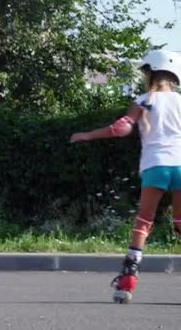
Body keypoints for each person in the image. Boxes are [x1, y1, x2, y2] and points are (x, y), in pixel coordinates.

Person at [70, 49, 181, 303]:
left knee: (144, 222)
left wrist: (87, 135)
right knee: (180, 224)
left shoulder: (144, 100)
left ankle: (127, 282)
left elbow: (121, 129)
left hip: (156, 165)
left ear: (149, 73)